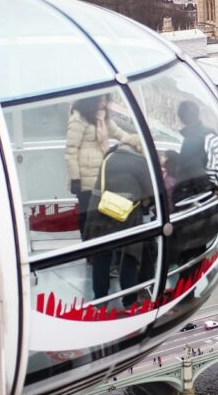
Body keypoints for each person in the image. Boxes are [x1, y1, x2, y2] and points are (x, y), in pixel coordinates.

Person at [84, 144, 155, 307]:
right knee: (129, 256)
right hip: (127, 216)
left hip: (102, 212)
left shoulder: (108, 158)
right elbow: (151, 192)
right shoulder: (140, 162)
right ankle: (129, 300)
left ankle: (100, 300)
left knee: (102, 257)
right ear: (138, 149)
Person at [65, 94, 142, 238]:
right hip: (85, 176)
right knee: (86, 214)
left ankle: (98, 247)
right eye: (102, 100)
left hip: (101, 174)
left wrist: (139, 141)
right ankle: (88, 247)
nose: (105, 103)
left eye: (107, 100)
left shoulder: (102, 117)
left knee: (99, 213)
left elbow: (121, 135)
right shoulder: (78, 119)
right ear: (91, 100)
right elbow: (70, 150)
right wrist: (75, 178)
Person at [174, 100, 218, 204]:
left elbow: (196, 172)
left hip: (198, 196)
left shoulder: (189, 142)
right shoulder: (210, 131)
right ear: (198, 113)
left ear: (181, 119)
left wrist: (213, 189)